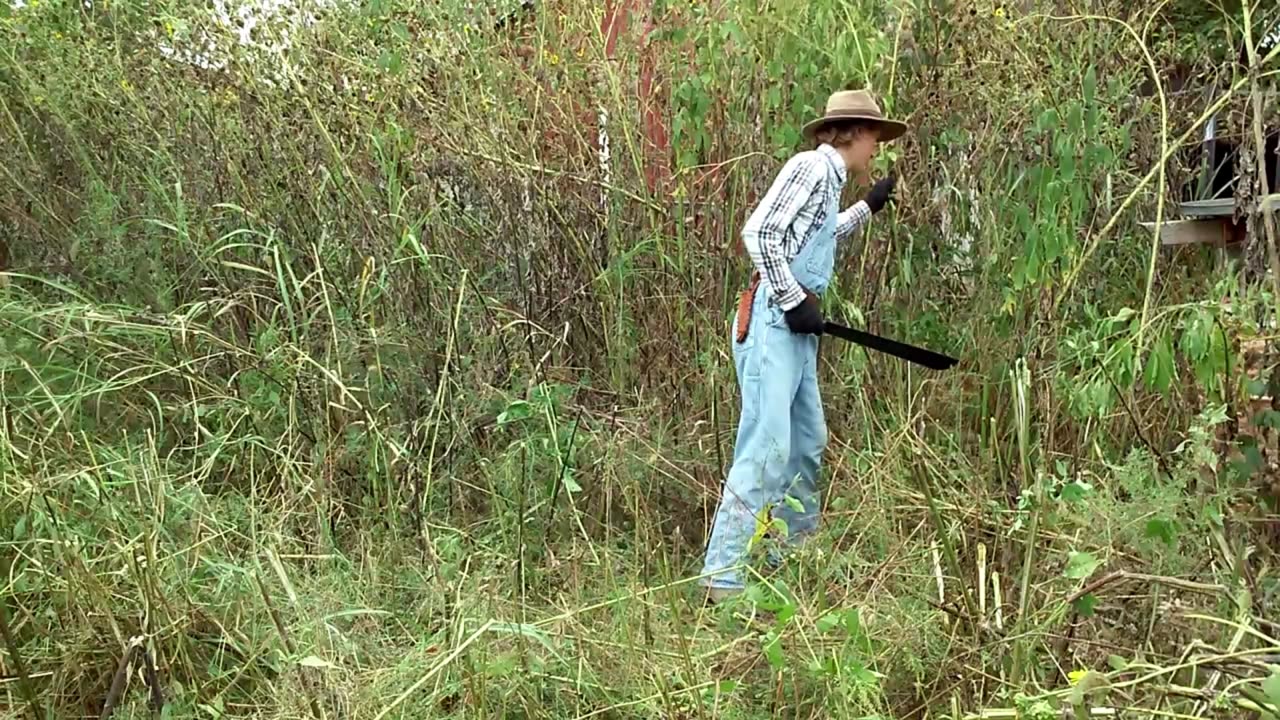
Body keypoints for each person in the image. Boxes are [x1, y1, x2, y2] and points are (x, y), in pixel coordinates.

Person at [700, 89, 905, 603]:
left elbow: (814, 234)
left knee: (807, 442)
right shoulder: (811, 168)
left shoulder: (831, 181)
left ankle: (782, 560)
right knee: (767, 449)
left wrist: (868, 207)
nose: (877, 149)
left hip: (795, 326)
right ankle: (723, 581)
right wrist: (793, 299)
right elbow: (761, 233)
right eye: (875, 138)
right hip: (774, 320)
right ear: (855, 133)